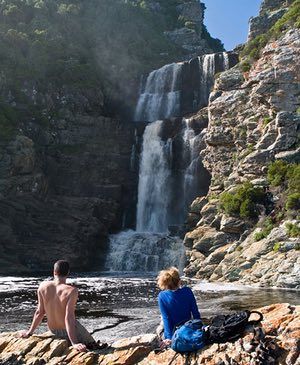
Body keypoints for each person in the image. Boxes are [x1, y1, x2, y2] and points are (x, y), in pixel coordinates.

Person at [19, 260, 96, 352]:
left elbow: (39, 312)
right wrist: (74, 342)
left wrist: (29, 332)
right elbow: (69, 317)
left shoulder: (42, 286)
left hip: (53, 331)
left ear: (54, 272)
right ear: (68, 272)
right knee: (97, 346)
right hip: (71, 331)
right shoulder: (71, 291)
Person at [157, 267, 201, 349]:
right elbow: (195, 313)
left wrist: (169, 339)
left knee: (160, 325)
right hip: (187, 329)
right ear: (179, 281)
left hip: (173, 333)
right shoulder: (188, 291)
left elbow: (166, 318)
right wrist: (199, 328)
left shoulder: (161, 296)